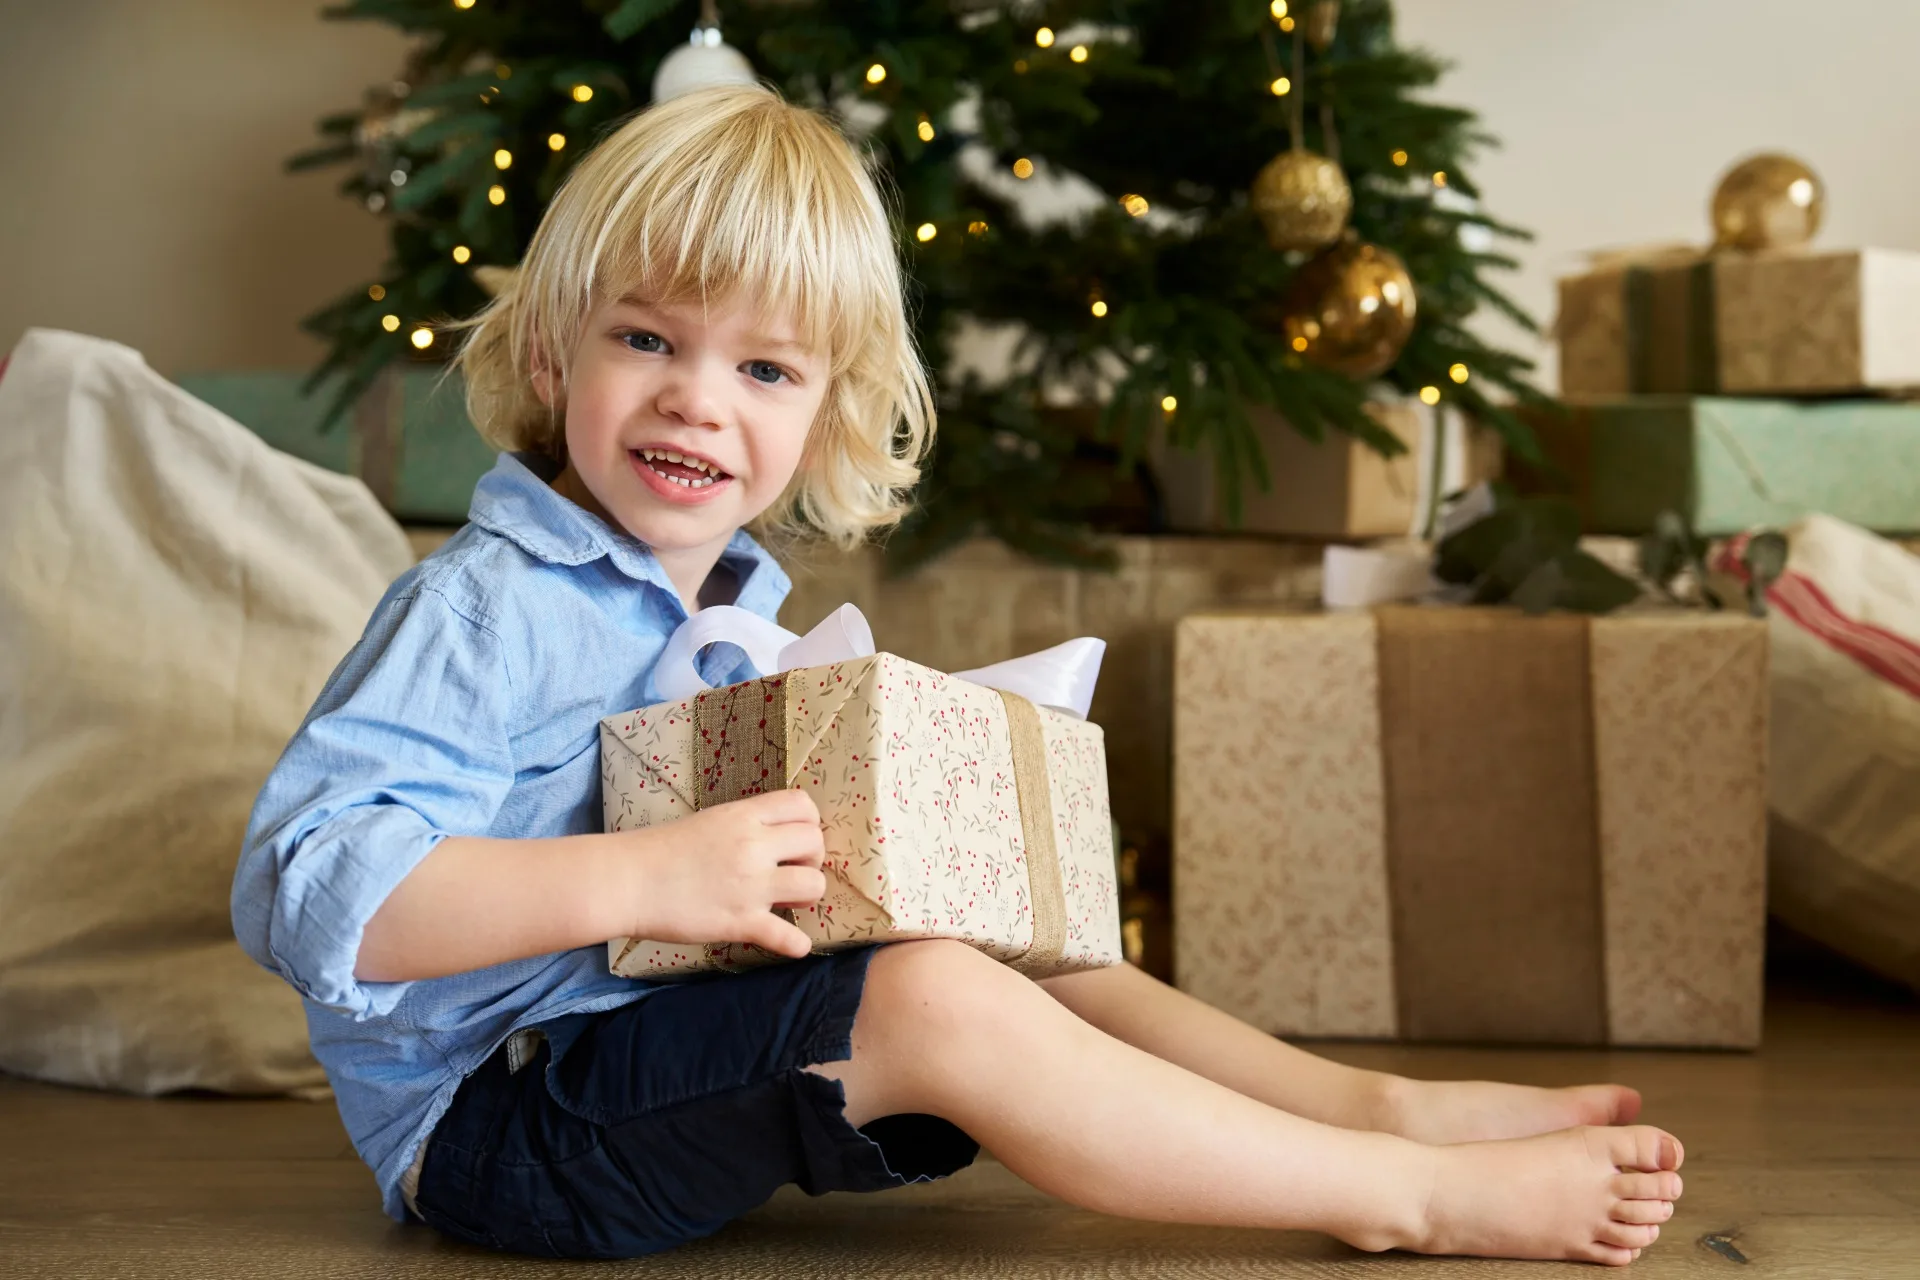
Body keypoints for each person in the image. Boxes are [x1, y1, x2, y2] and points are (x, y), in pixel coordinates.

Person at [232, 85, 1682, 1265]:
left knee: (1022, 937)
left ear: (823, 412)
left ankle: (1376, 1112)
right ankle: (1394, 1197)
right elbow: (311, 891)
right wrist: (652, 877)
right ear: (555, 354)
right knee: (932, 996)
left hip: (649, 1042)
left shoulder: (735, 596)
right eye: (649, 339)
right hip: (501, 1131)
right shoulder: (487, 607)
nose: (697, 397)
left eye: (767, 371)